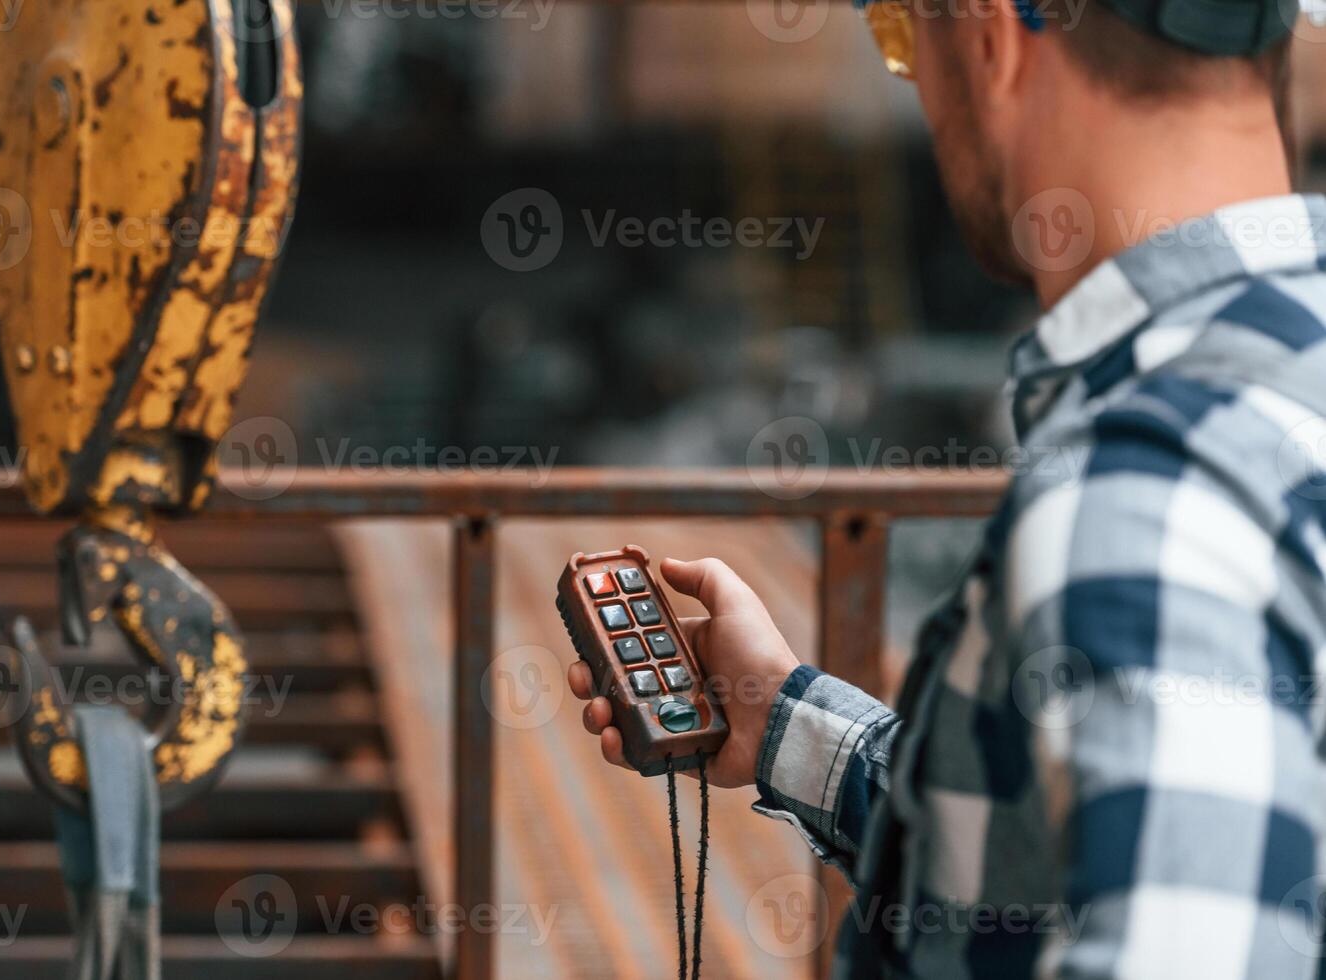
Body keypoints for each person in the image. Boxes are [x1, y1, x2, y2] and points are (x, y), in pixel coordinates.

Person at [568, 0, 1326, 974]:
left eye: (899, 40)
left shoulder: (1145, 503)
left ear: (992, 38)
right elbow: (1073, 865)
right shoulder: (1281, 376)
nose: (918, 86)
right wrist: (788, 727)